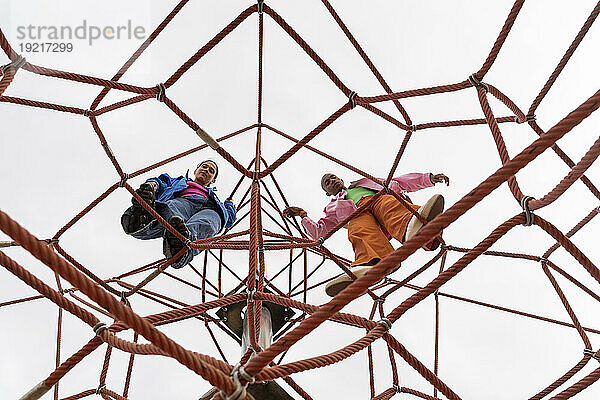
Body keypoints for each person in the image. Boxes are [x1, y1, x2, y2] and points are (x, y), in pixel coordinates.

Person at [283, 172, 449, 296]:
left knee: (387, 203)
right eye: (327, 182)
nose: (332, 181)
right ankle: (370, 262)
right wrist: (303, 214)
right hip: (358, 214)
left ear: (341, 180)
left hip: (377, 200)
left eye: (333, 178)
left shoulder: (366, 182)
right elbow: (319, 231)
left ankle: (412, 224)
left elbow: (399, 182)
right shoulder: (334, 207)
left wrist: (429, 179)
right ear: (327, 192)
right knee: (357, 227)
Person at [121, 160, 237, 269]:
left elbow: (229, 220)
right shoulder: (180, 182)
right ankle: (141, 219)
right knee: (172, 211)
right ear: (195, 171)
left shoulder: (216, 200)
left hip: (210, 208)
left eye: (211, 171)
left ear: (213, 181)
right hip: (184, 199)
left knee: (210, 223)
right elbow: (161, 182)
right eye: (204, 166)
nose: (206, 170)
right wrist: (152, 185)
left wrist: (229, 205)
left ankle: (181, 246)